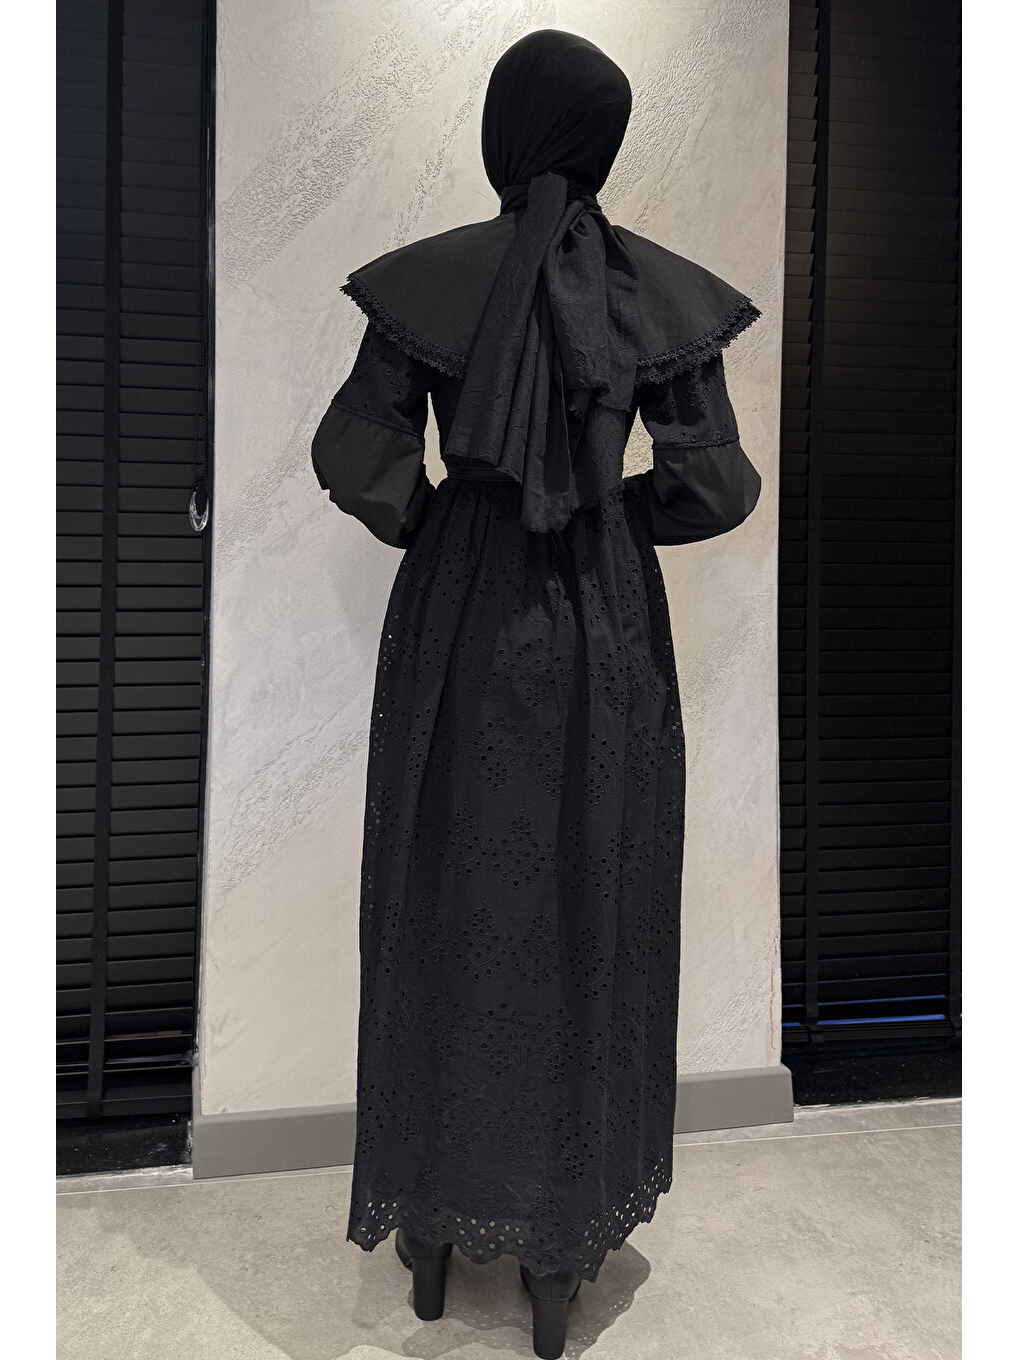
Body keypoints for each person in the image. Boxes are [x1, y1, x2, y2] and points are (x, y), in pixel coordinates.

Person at [311, 29, 762, 1360]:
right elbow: (716, 485)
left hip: (461, 615)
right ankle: (565, 1246)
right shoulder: (659, 296)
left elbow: (357, 458)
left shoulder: (430, 283)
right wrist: (609, 518)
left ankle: (435, 1231)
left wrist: (446, 524)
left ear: (504, 131)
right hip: (601, 618)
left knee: (444, 893)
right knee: (591, 903)